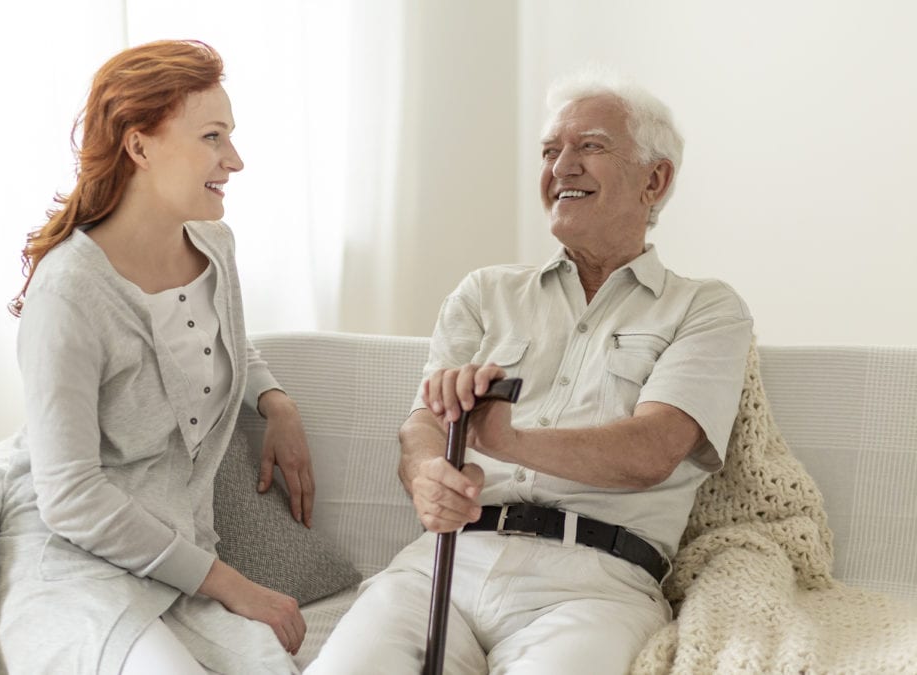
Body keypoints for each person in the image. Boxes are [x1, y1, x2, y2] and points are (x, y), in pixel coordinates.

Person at [306, 69, 753, 674]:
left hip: (596, 583)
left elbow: (654, 449)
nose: (561, 167)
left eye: (589, 146)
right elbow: (423, 425)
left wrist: (508, 441)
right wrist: (426, 475)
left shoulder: (705, 307)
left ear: (655, 178)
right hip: (445, 559)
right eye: (550, 151)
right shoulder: (485, 292)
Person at [0, 40, 314, 675]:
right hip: (76, 567)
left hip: (181, 556)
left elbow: (219, 337)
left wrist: (275, 400)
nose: (236, 160)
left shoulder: (214, 245)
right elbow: (71, 497)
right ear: (139, 147)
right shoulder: (69, 294)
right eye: (213, 136)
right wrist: (227, 583)